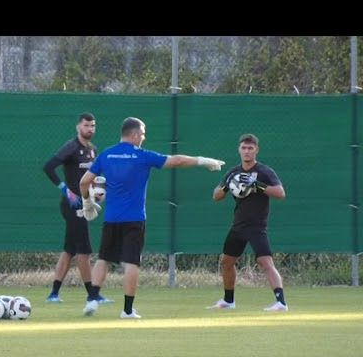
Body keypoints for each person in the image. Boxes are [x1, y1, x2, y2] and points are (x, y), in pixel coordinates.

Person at [79, 116, 225, 318]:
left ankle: (92, 300)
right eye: (143, 134)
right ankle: (127, 311)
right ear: (135, 134)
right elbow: (177, 160)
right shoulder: (142, 156)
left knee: (103, 259)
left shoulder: (106, 154)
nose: (144, 137)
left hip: (111, 218)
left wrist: (87, 203)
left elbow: (84, 182)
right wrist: (203, 160)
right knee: (132, 263)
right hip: (134, 219)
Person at [208, 133, 288, 312]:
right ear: (239, 150)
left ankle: (281, 302)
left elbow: (280, 193)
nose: (246, 151)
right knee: (226, 262)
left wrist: (257, 185)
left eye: (250, 148)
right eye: (244, 148)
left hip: (256, 226)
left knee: (265, 262)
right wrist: (227, 185)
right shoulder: (233, 172)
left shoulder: (264, 171)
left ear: (256, 150)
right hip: (238, 225)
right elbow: (216, 196)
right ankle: (229, 301)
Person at [42, 112, 111, 304]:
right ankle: (92, 295)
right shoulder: (71, 147)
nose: (90, 129)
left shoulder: (93, 150)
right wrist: (66, 190)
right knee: (84, 251)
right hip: (72, 205)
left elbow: (94, 178)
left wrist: (98, 193)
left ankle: (54, 294)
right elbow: (48, 167)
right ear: (78, 127)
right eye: (86, 125)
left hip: (85, 203)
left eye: (93, 125)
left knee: (69, 249)